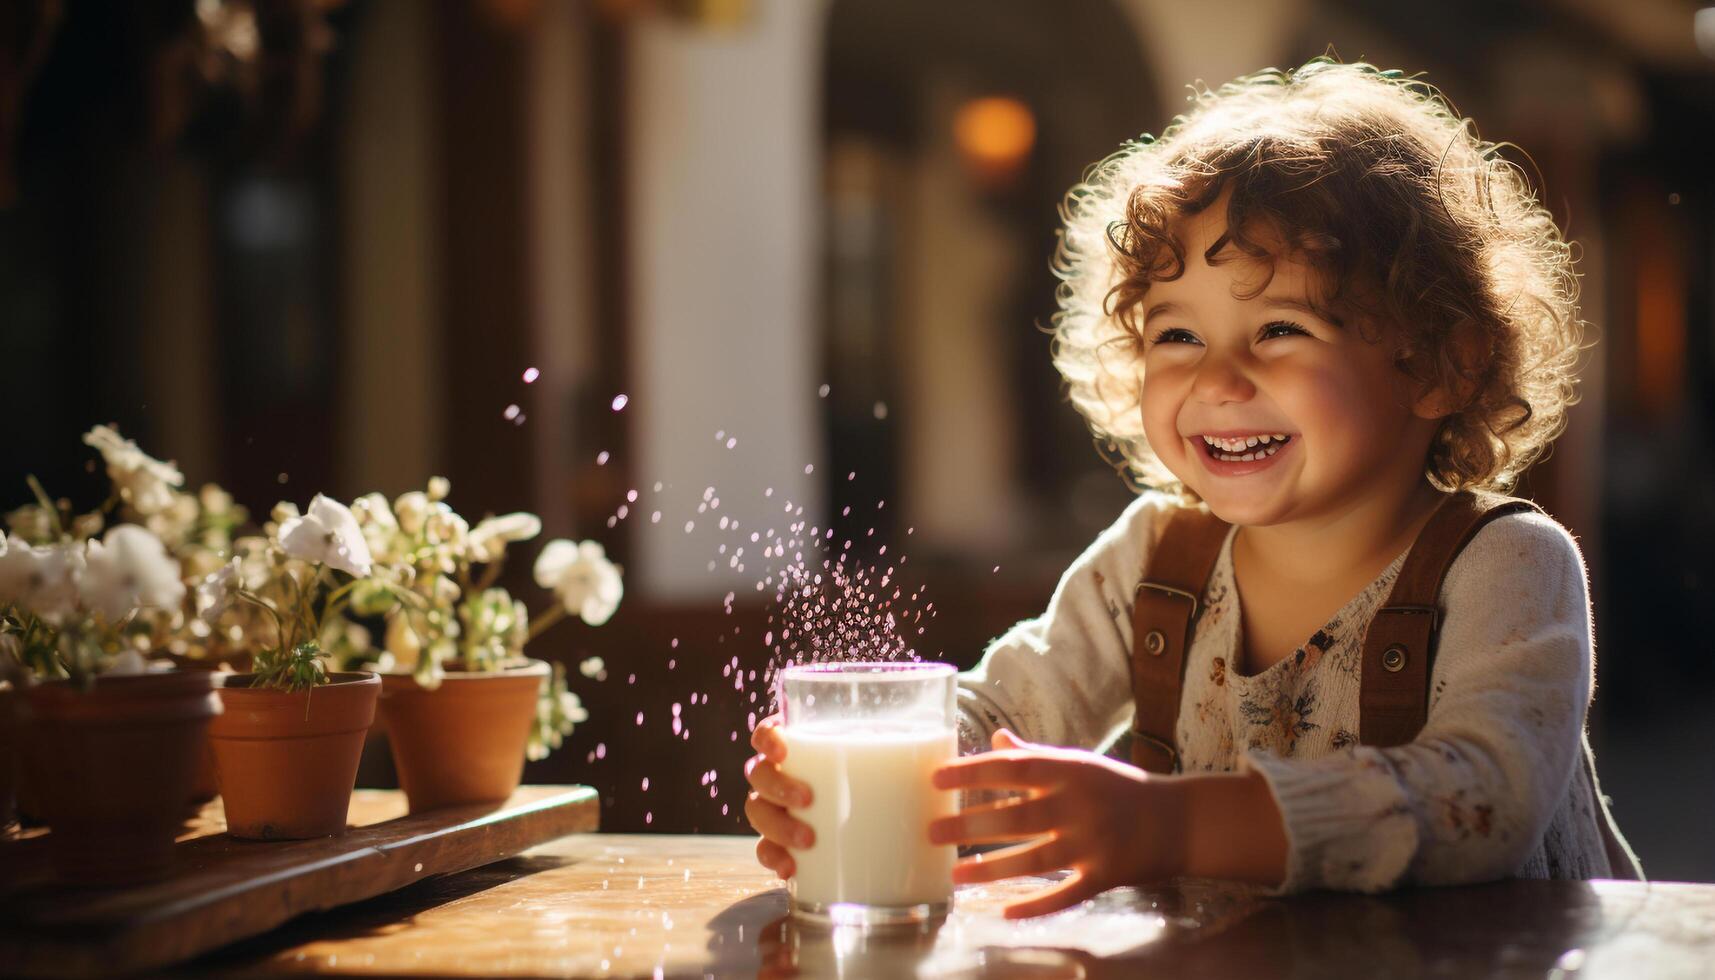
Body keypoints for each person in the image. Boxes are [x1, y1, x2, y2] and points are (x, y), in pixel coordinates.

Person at [743, 59, 1640, 918]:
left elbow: (1482, 799)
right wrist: (885, 782)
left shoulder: (1504, 565)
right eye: (1175, 337)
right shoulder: (1155, 558)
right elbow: (1007, 709)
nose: (1217, 379)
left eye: (1279, 328)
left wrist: (1170, 825)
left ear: (1440, 364)